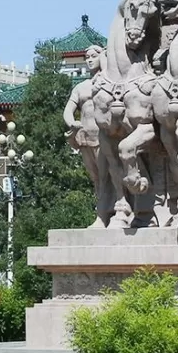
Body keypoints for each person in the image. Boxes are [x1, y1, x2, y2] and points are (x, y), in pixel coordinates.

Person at [64, 45, 111, 227]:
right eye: (87, 57)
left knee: (107, 177)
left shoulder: (108, 82)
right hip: (85, 138)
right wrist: (72, 122)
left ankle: (104, 215)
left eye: (93, 56)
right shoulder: (81, 87)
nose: (90, 59)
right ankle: (102, 214)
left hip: (104, 137)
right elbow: (68, 110)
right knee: (96, 179)